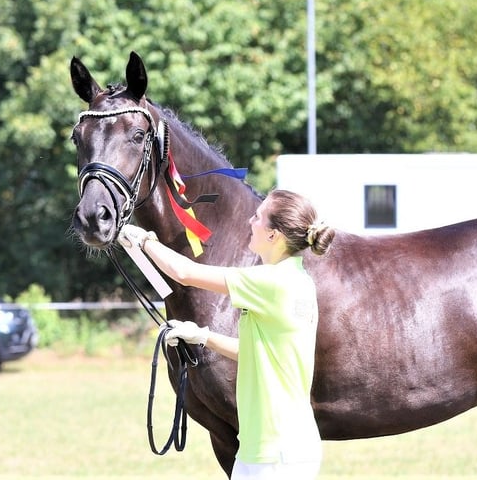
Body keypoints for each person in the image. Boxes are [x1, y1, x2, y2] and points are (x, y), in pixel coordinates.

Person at [119, 189, 335, 480]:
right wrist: (202, 336)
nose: (250, 221)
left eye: (258, 217)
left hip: (274, 454)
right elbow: (259, 353)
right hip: (275, 448)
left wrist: (143, 239)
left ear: (274, 235)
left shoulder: (272, 282)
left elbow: (185, 272)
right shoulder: (298, 280)